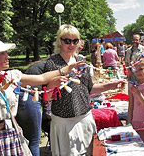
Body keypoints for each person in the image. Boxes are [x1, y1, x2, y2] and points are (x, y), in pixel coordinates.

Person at [0, 37, 85, 155]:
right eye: (2, 53)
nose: (8, 56)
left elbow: (42, 78)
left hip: (11, 134)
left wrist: (68, 69)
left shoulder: (11, 76)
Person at [44, 24, 126, 156]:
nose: (71, 44)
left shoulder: (81, 60)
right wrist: (52, 85)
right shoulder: (53, 63)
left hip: (85, 118)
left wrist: (112, 84)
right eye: (67, 41)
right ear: (60, 41)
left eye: (75, 41)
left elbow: (90, 88)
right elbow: (47, 97)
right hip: (65, 123)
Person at [15, 58, 47, 156]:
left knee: (26, 138)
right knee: (34, 140)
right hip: (30, 98)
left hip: (21, 98)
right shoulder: (53, 66)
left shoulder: (40, 65)